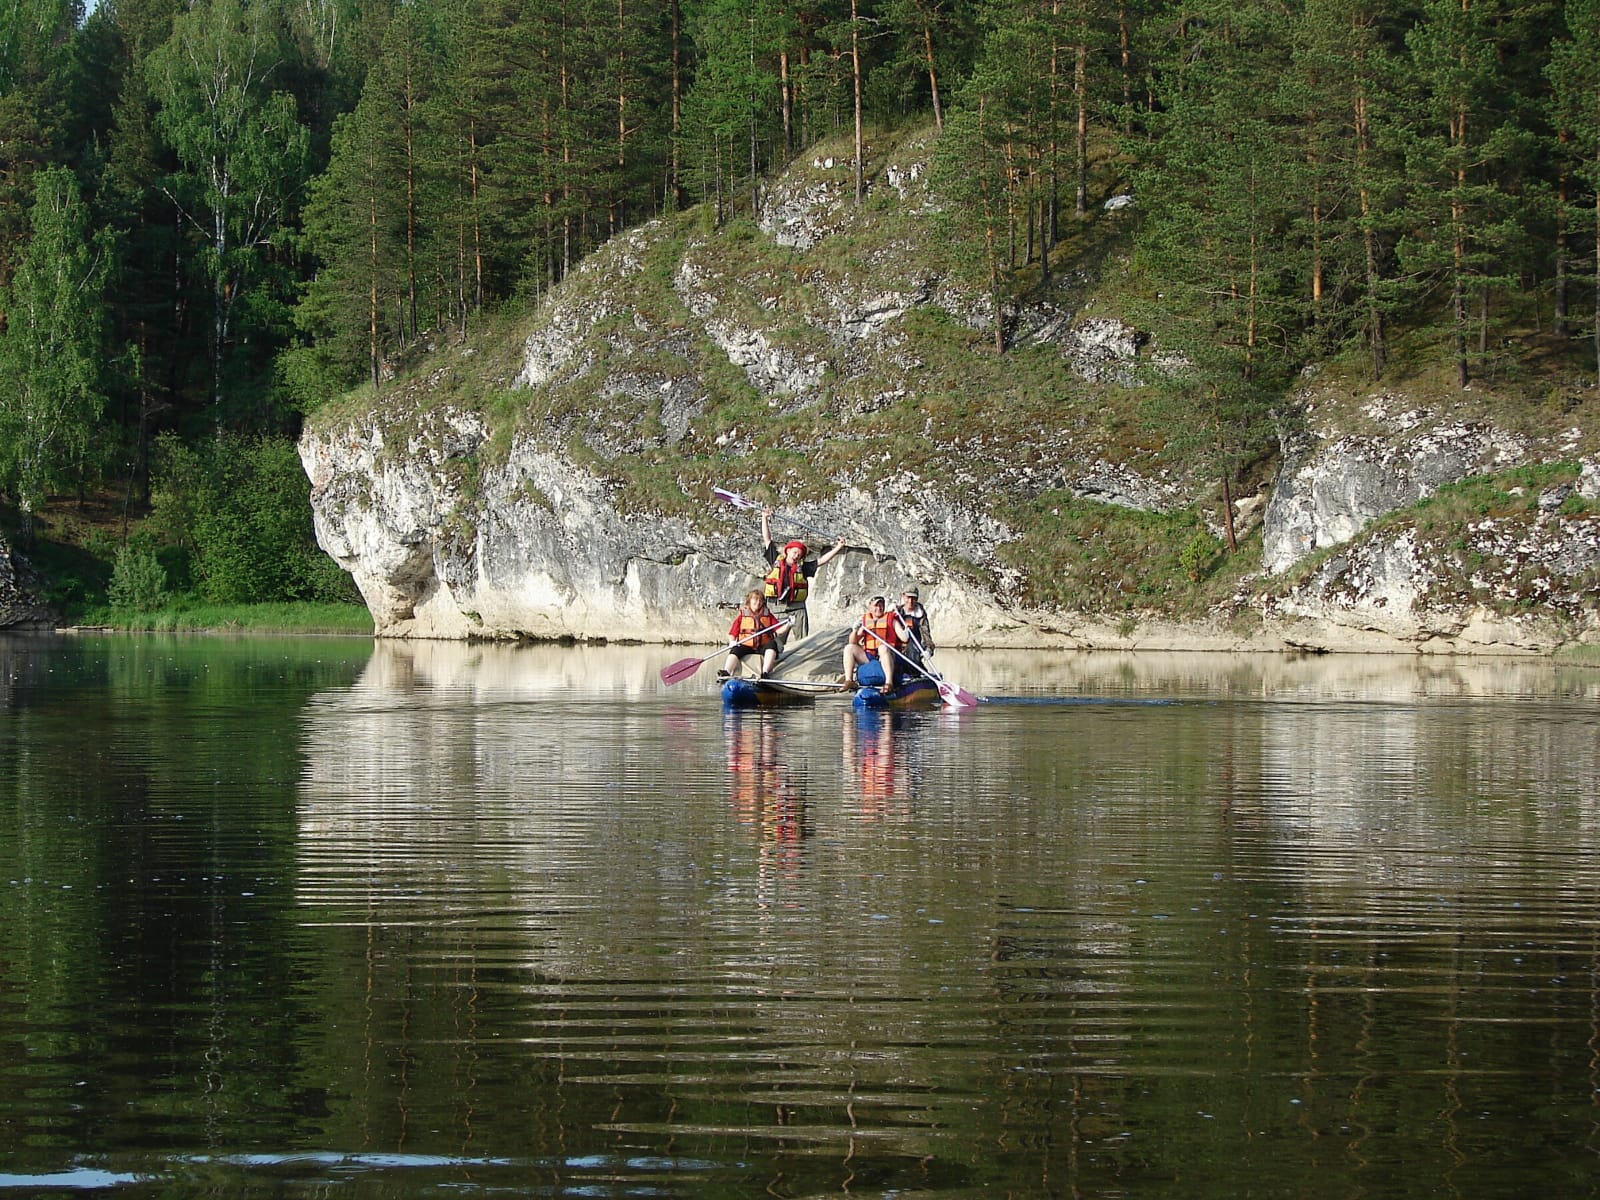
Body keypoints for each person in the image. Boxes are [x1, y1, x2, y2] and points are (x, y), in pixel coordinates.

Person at [761, 509, 845, 645]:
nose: (796, 556)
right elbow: (767, 539)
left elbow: (821, 561)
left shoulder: (803, 568)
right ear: (788, 551)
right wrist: (764, 518)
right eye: (794, 552)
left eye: (799, 554)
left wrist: (838, 547)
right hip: (777, 608)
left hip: (797, 608)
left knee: (802, 642)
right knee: (776, 643)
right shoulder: (775, 560)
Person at [843, 595, 908, 690]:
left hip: (888, 655)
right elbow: (853, 642)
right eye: (876, 606)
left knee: (883, 647)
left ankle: (889, 683)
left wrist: (906, 631)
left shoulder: (891, 620)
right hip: (870, 656)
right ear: (870, 608)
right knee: (849, 648)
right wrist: (854, 630)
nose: (879, 608)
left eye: (881, 605)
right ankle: (849, 680)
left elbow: (904, 638)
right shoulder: (865, 622)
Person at [720, 589, 783, 680]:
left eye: (760, 600)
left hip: (763, 646)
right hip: (747, 646)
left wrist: (789, 624)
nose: (758, 602)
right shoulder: (742, 616)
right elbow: (732, 633)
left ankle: (765, 672)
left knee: (772, 645)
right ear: (749, 601)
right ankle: (727, 671)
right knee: (735, 649)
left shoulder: (768, 615)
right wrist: (732, 641)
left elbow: (779, 629)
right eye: (755, 599)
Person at [895, 586, 933, 674]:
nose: (910, 601)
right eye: (908, 597)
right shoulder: (896, 612)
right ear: (903, 596)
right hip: (897, 649)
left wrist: (929, 650)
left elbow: (926, 635)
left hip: (914, 650)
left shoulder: (920, 615)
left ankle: (915, 672)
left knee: (911, 647)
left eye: (913, 598)